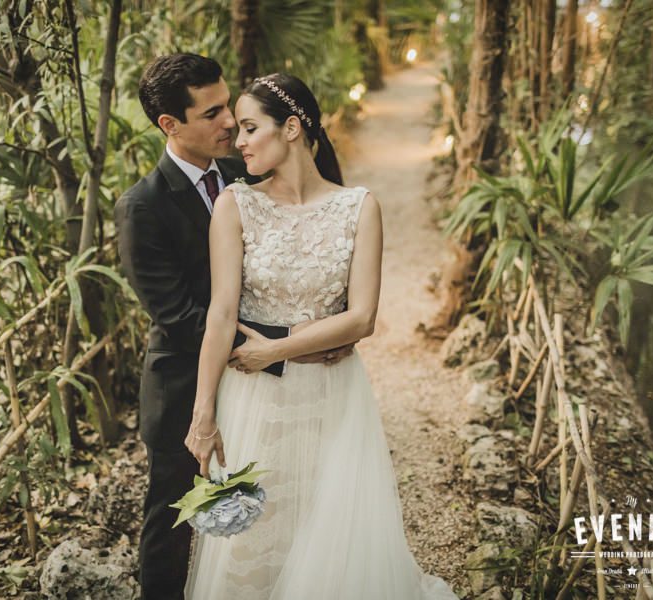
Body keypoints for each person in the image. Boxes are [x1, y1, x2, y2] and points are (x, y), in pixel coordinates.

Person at [183, 73, 460, 599]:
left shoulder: (358, 207)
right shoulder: (236, 205)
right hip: (253, 398)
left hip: (334, 394)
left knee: (328, 528)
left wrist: (276, 349)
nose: (236, 143)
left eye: (248, 128)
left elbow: (362, 319)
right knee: (253, 536)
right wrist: (204, 414)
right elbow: (221, 315)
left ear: (291, 128)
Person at [115, 54, 348, 600]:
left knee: (273, 507)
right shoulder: (141, 207)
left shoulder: (249, 171)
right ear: (170, 125)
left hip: (269, 386)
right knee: (174, 523)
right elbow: (178, 317)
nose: (229, 123)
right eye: (213, 111)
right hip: (183, 387)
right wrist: (285, 344)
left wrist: (323, 328)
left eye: (231, 108)